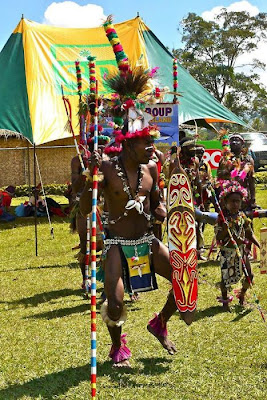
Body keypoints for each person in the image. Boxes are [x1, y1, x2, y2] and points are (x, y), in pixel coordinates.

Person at [80, 125, 195, 368]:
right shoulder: (107, 168)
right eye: (146, 142)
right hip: (116, 243)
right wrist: (91, 177)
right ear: (128, 145)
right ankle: (117, 346)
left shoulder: (152, 167)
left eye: (152, 142)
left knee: (183, 280)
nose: (152, 147)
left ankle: (160, 323)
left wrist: (161, 210)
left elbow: (156, 203)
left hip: (146, 240)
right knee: (115, 304)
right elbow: (83, 208)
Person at [215, 181, 260, 311]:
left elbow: (249, 234)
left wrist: (259, 245)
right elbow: (218, 237)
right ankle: (225, 302)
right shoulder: (222, 218)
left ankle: (242, 295)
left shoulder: (242, 217)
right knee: (225, 279)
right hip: (227, 252)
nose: (235, 204)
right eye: (232, 201)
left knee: (249, 275)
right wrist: (224, 229)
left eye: (238, 201)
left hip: (241, 251)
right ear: (225, 203)